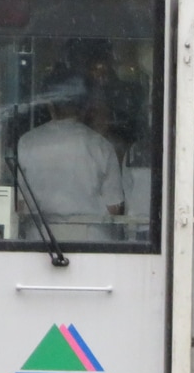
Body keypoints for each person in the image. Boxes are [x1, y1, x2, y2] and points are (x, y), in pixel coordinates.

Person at [16, 65, 125, 242]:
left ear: (49, 104)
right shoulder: (101, 146)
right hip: (94, 242)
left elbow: (20, 205)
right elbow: (114, 208)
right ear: (85, 106)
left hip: (40, 240)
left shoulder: (27, 142)